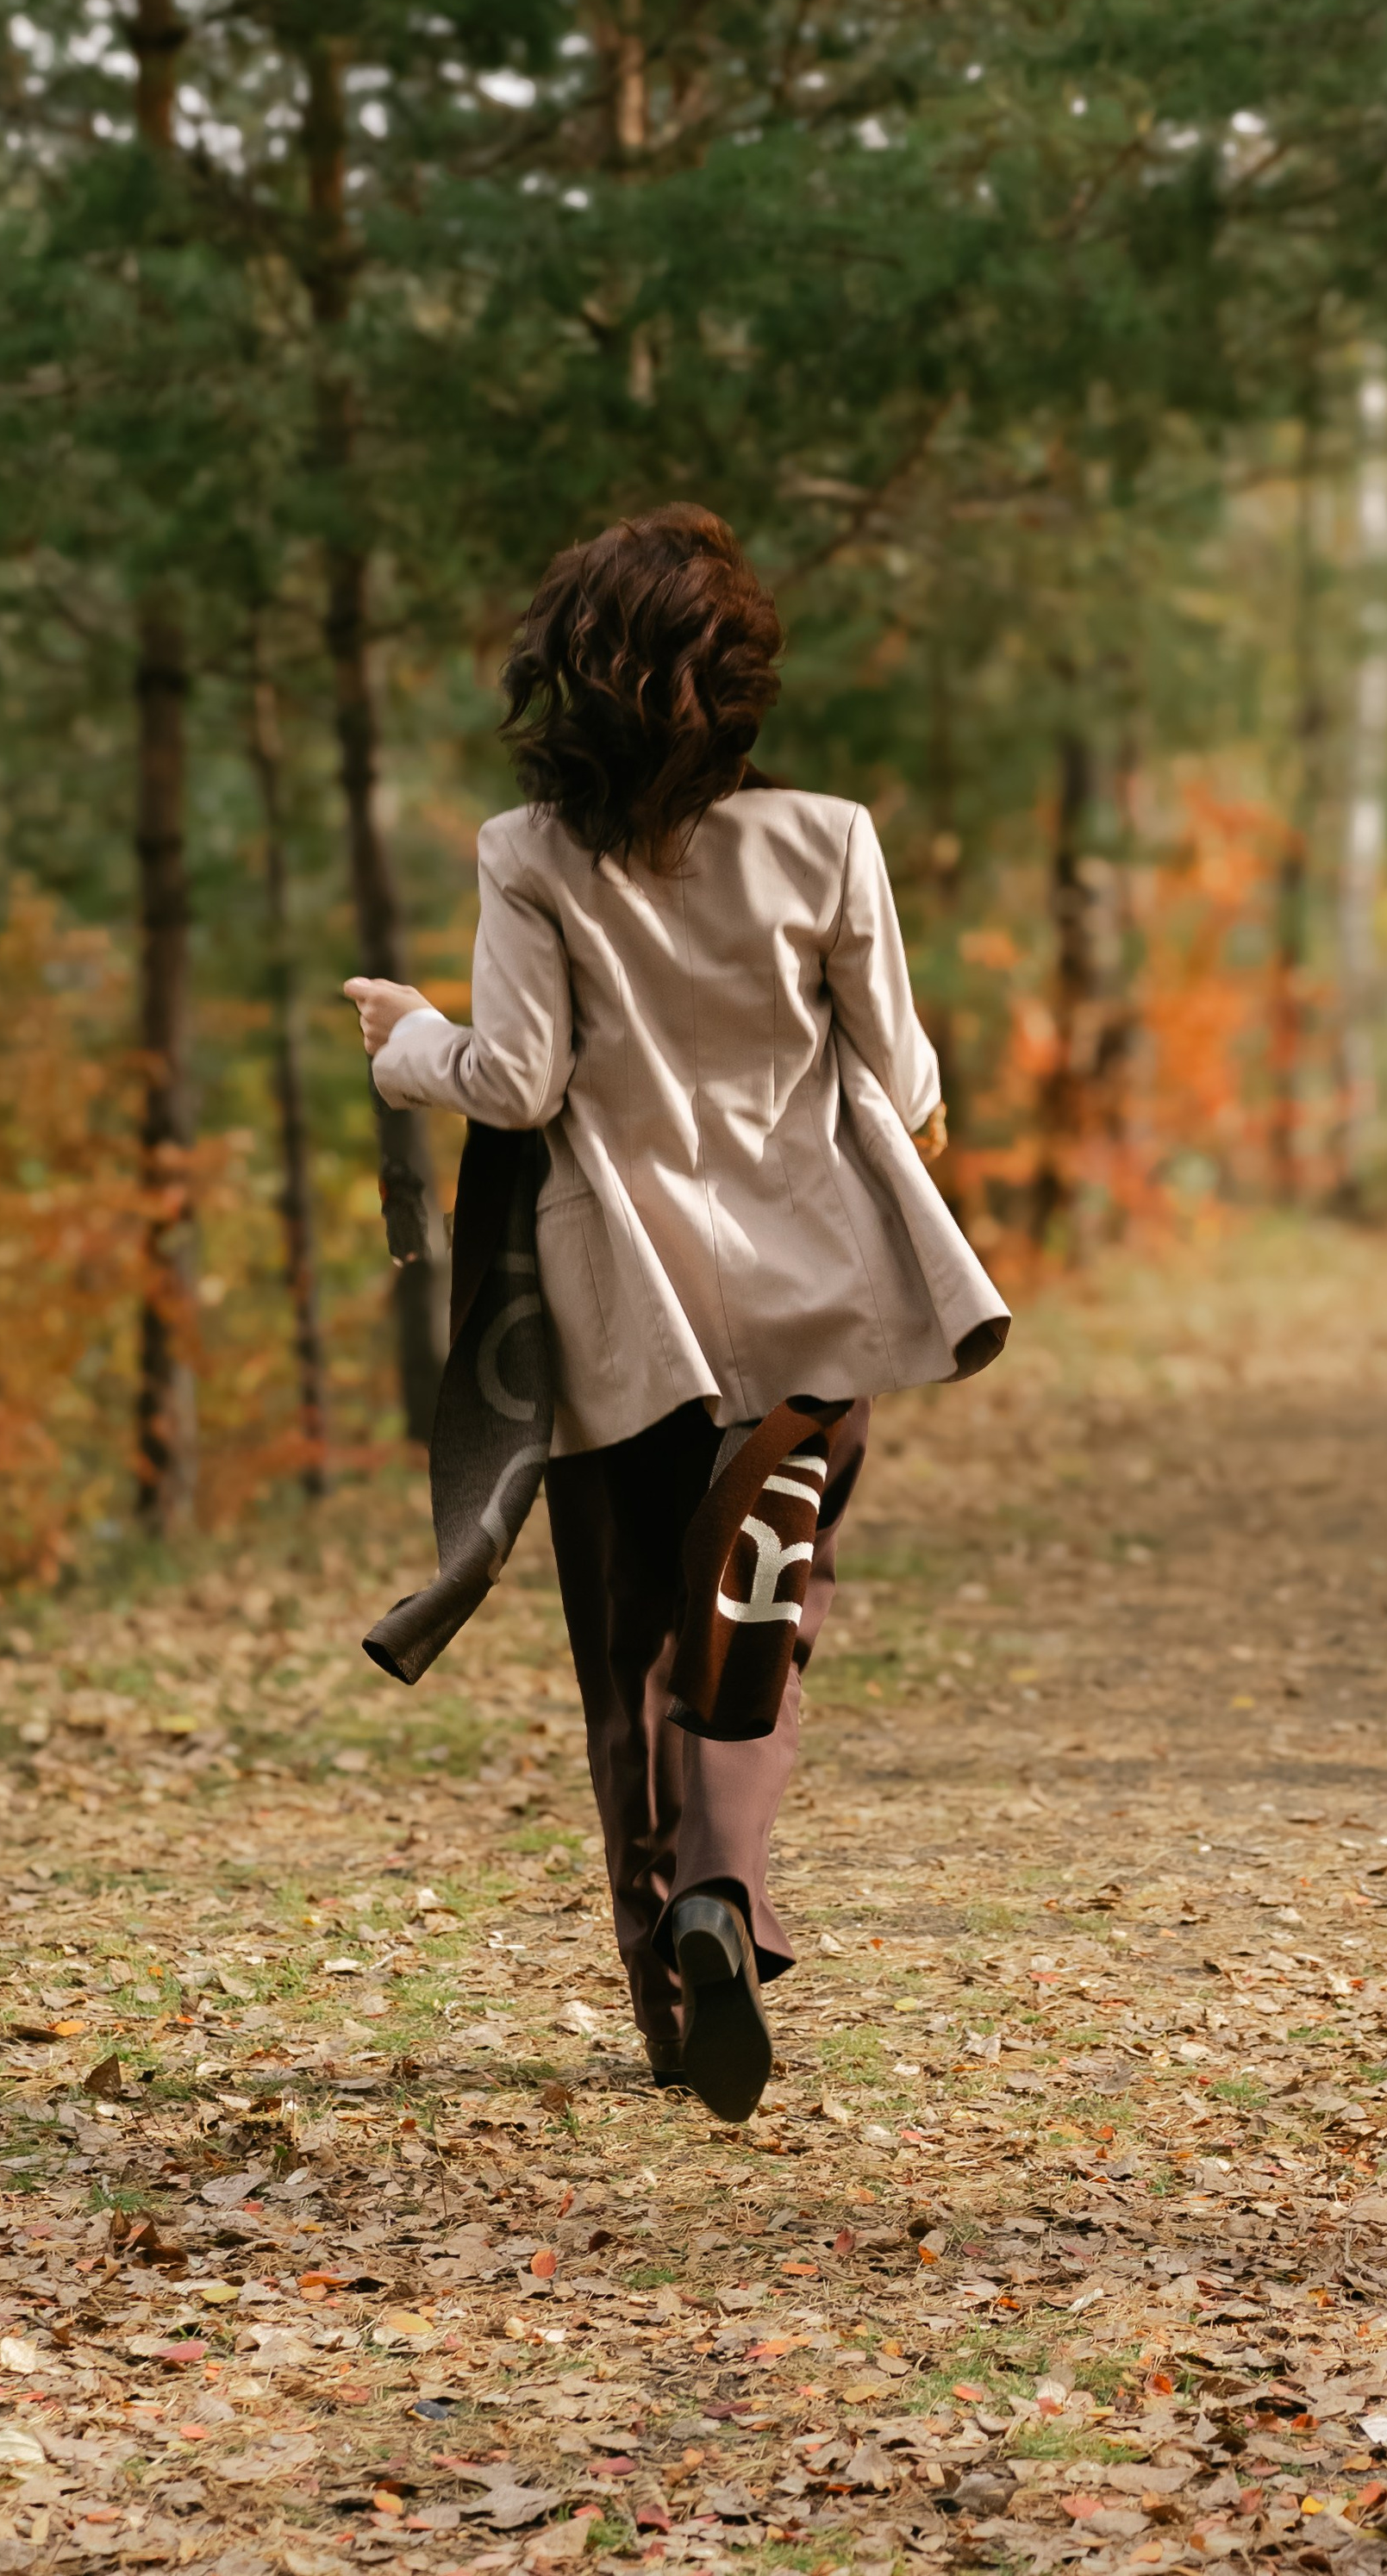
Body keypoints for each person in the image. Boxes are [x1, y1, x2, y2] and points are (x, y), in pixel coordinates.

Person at [343, 508, 1009, 2120]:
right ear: (743, 679)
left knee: (628, 1643)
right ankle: (729, 1895)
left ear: (564, 685)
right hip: (813, 1300)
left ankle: (667, 1987)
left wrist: (404, 1040)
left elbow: (516, 1082)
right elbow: (905, 1083)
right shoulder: (832, 839)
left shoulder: (528, 856)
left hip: (619, 1314)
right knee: (761, 1609)